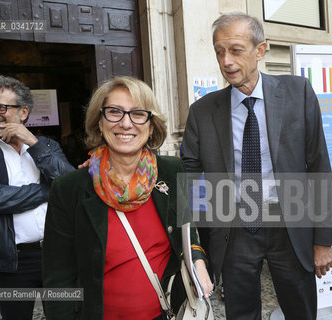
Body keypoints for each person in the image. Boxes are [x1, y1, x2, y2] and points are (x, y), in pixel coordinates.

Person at [181, 13, 332, 319]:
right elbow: (188, 176)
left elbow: (319, 165)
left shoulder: (298, 93)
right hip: (234, 226)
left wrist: (323, 241)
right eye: (219, 51)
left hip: (290, 223)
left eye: (236, 50)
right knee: (240, 312)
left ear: (260, 49)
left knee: (301, 310)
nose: (226, 61)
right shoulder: (202, 111)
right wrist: (194, 250)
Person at [42, 76, 213, 320]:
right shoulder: (69, 189)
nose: (125, 123)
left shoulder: (172, 170)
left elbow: (188, 230)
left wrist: (197, 260)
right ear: (100, 123)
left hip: (168, 313)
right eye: (114, 112)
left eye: (137, 114)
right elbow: (57, 277)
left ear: (151, 125)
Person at [0, 75, 74, 320]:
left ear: (23, 112)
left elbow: (70, 185)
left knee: (65, 315)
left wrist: (33, 142)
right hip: (11, 262)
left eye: (2, 107)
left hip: (57, 256)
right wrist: (48, 190)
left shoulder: (47, 145)